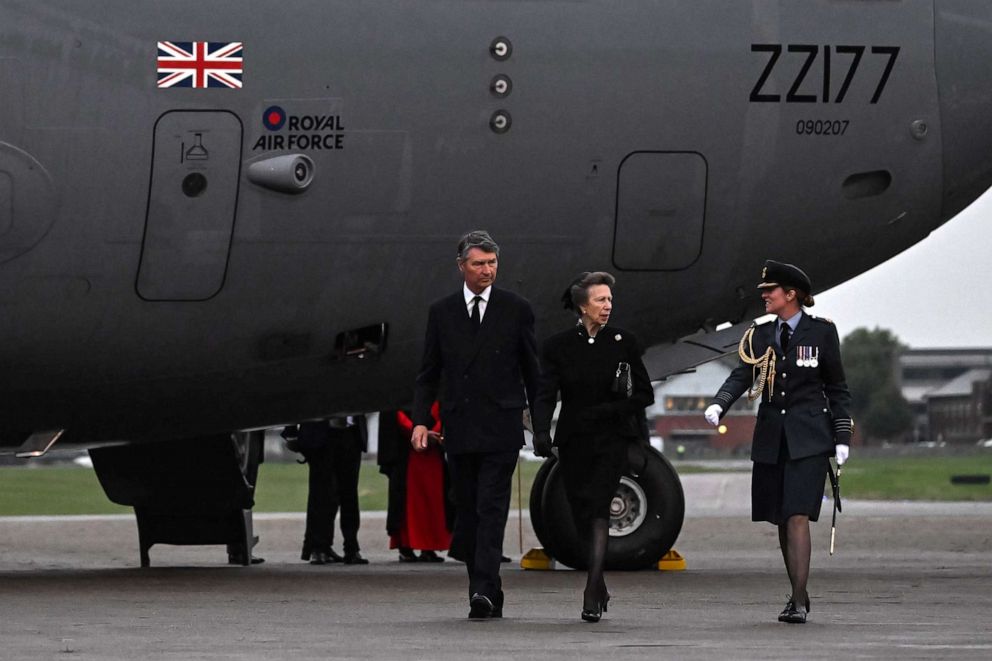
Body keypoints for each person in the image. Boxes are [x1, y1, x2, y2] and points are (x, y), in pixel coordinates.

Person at [703, 260, 852, 624]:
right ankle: (797, 591)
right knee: (783, 519)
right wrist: (719, 404)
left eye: (770, 291)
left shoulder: (821, 333)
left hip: (810, 439)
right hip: (772, 438)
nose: (764, 296)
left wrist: (842, 435)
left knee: (798, 515)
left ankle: (798, 600)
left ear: (792, 294)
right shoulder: (761, 335)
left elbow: (837, 387)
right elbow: (742, 375)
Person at [411, 230, 540, 619]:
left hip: (500, 426)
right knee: (467, 510)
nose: (487, 271)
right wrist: (420, 421)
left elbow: (533, 373)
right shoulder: (442, 312)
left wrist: (543, 426)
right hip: (460, 426)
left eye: (492, 263)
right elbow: (428, 373)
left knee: (490, 507)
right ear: (461, 267)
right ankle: (485, 589)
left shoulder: (516, 309)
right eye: (479, 264)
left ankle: (482, 591)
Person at [531, 271, 654, 623]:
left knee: (600, 509)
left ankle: (591, 586)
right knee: (582, 513)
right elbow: (545, 393)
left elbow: (645, 394)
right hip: (574, 441)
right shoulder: (558, 346)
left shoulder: (623, 342)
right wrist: (541, 432)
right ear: (582, 305)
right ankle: (598, 583)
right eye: (601, 300)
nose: (608, 305)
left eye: (610, 300)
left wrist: (610, 410)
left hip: (611, 439)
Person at [283, 415, 369, 565]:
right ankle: (319, 547)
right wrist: (291, 432)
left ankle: (351, 547)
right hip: (321, 433)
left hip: (350, 432)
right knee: (322, 493)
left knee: (349, 493)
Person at [377, 404, 452, 562]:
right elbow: (396, 413)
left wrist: (434, 432)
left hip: (432, 455)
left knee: (432, 501)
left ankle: (428, 546)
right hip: (408, 452)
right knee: (408, 502)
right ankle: (406, 545)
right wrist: (418, 432)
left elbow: (440, 409)